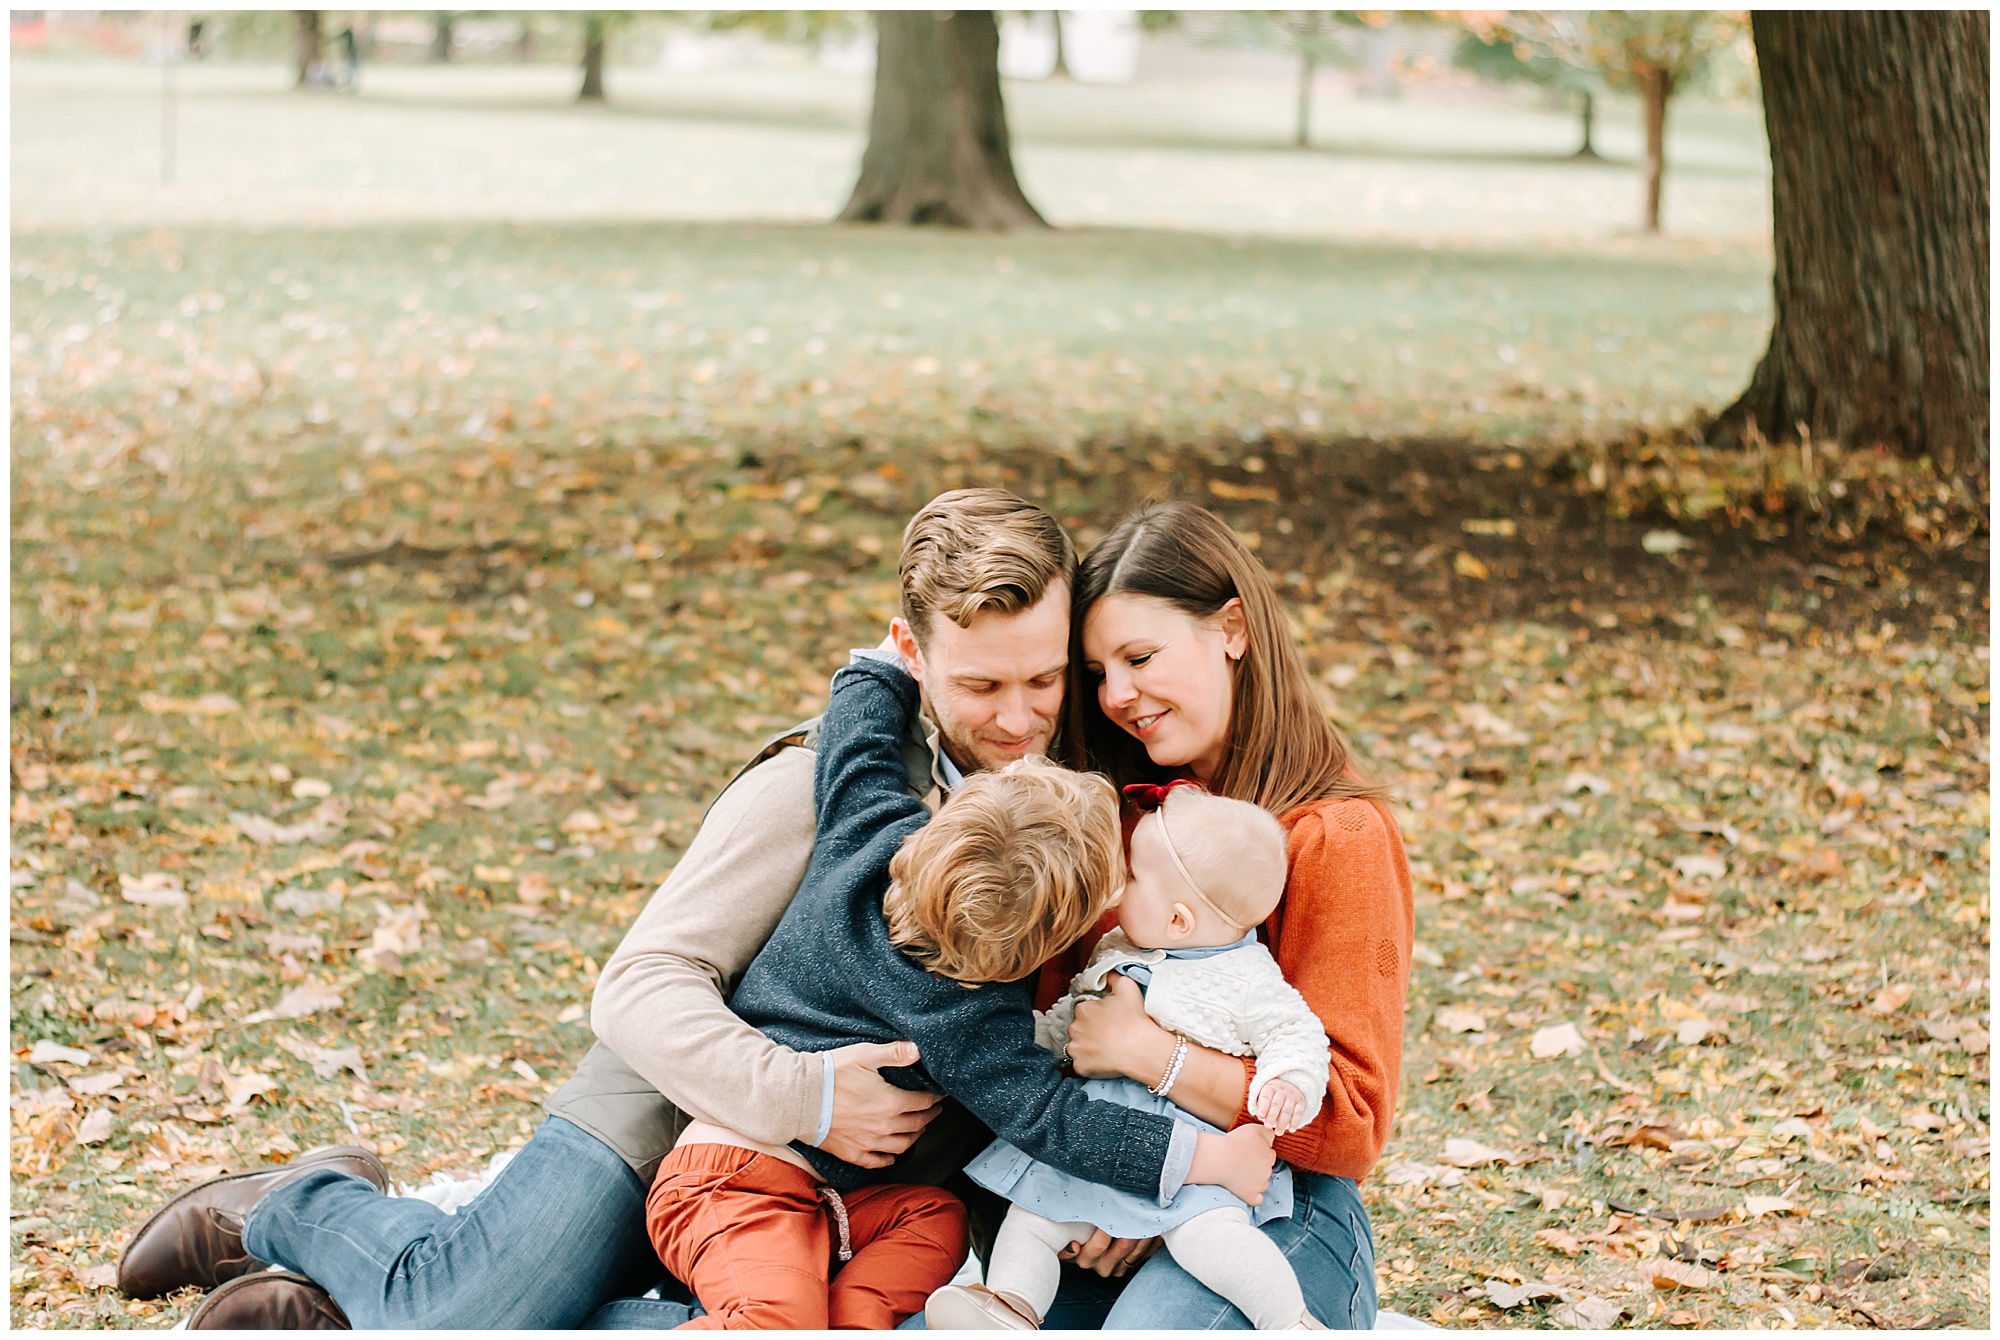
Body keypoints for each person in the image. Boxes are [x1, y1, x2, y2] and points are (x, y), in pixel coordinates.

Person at [115, 490, 1112, 1328]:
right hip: (671, 1111)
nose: (1018, 719)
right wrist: (800, 1093)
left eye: (1043, 678)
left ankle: (345, 1301)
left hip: (861, 1193)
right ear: (910, 653)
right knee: (463, 1312)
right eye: (981, 683)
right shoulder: (819, 785)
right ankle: (301, 1205)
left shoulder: (1063, 807)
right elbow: (639, 986)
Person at [648, 659, 1274, 1328]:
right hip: (731, 1180)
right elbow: (1060, 1123)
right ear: (1040, 949)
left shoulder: (866, 835)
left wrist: (883, 668)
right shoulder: (970, 1017)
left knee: (935, 1217)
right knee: (777, 1322)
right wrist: (1207, 1158)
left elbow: (858, 743)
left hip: (830, 1202)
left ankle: (854, 1324)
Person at [1052, 500, 1413, 1330]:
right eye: (1098, 672)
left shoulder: (1333, 837)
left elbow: (1348, 1124)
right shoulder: (1124, 823)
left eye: (1140, 657)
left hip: (1281, 1214)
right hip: (1101, 1192)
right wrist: (1132, 1169)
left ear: (1234, 629)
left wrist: (1153, 1057)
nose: (1117, 695)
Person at [929, 782, 1331, 1331]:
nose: (1118, 885)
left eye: (1134, 876)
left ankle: (1289, 1320)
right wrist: (1021, 1041)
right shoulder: (1117, 948)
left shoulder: (1246, 979)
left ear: (1179, 921)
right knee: (1032, 1220)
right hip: (1098, 1140)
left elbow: (1296, 1030)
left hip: (1195, 1154)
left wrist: (1288, 1080)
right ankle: (1010, 1308)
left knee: (1214, 1239)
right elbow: (1072, 1017)